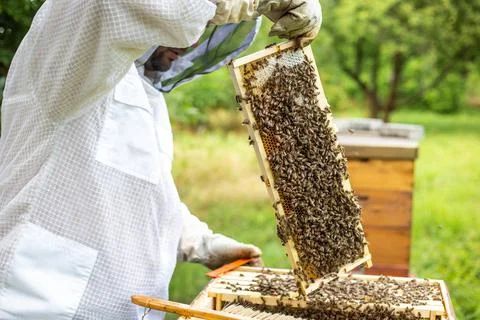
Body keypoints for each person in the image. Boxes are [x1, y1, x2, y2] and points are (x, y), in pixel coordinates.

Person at [0, 0, 321, 319]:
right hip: (41, 305)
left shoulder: (142, 92)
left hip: (125, 309)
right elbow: (104, 5)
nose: (193, 40)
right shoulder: (66, 57)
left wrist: (200, 243)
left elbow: (137, 191)